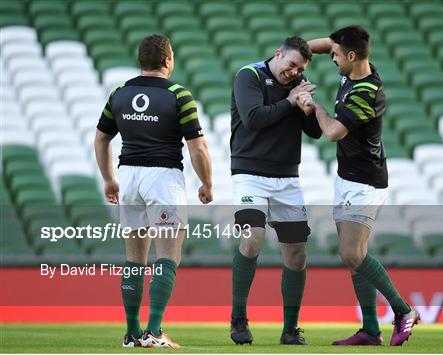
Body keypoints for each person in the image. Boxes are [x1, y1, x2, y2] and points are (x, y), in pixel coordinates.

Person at [299, 25, 420, 346]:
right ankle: (369, 329)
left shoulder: (368, 92)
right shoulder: (353, 67)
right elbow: (325, 44)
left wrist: (317, 108)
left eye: (337, 55)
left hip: (365, 182)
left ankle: (403, 310)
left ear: (352, 56)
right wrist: (291, 57)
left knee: (351, 252)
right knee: (353, 256)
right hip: (347, 177)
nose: (332, 59)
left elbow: (334, 132)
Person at [94, 34, 213, 348]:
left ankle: (132, 333)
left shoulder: (119, 94)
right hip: (163, 178)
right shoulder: (178, 94)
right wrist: (207, 183)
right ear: (167, 60)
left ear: (141, 60)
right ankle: (154, 331)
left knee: (134, 259)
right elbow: (198, 148)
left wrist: (108, 179)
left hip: (128, 176)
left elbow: (101, 138)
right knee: (167, 257)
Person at [229, 36, 322, 346]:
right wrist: (290, 100)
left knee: (297, 254)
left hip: (287, 179)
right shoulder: (249, 75)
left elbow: (315, 133)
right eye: (291, 64)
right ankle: (239, 317)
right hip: (249, 174)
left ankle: (290, 329)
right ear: (278, 54)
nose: (293, 72)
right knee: (252, 237)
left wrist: (309, 108)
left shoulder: (299, 84)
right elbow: (253, 119)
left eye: (300, 69)